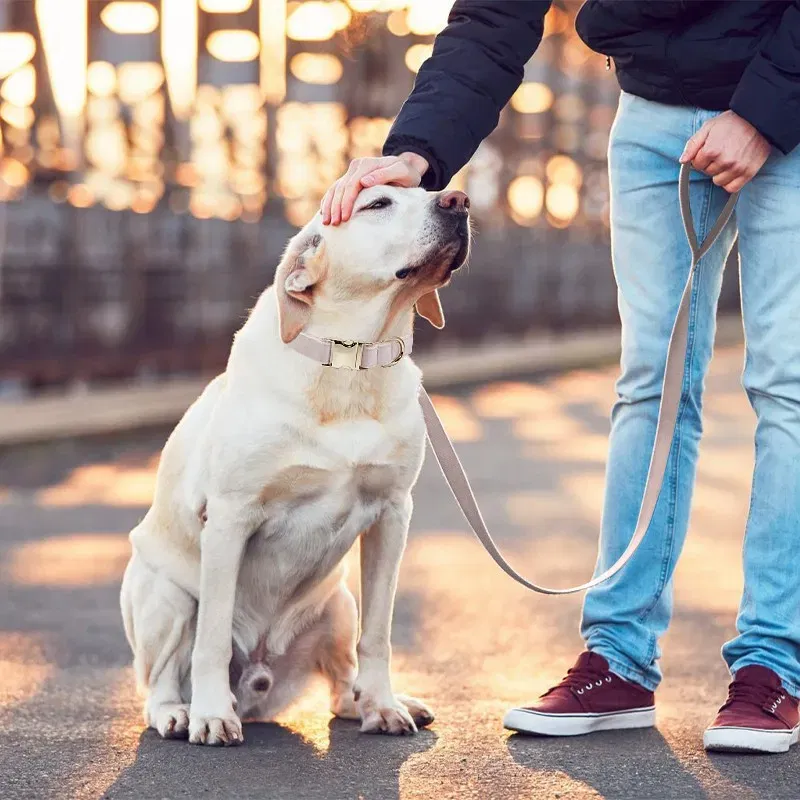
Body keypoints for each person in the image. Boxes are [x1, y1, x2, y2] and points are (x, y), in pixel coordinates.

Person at [321, 1, 800, 754]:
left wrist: (768, 112)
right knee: (652, 383)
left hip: (788, 105)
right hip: (653, 115)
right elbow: (491, 17)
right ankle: (619, 658)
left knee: (787, 387)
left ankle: (775, 668)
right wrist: (417, 153)